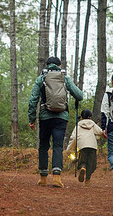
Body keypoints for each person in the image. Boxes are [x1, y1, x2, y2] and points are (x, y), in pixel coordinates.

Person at [28, 56, 84, 188]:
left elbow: (33, 100)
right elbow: (79, 96)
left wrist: (31, 119)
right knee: (57, 146)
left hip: (45, 117)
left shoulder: (41, 78)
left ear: (47, 66)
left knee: (43, 145)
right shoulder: (65, 78)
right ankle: (57, 178)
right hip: (61, 117)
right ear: (59, 66)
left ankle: (43, 178)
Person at [66, 109, 104, 187]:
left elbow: (73, 137)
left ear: (82, 117)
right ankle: (87, 180)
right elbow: (100, 132)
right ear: (90, 117)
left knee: (82, 161)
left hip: (82, 146)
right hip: (92, 146)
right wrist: (104, 134)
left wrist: (68, 149)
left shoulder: (78, 125)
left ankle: (83, 168)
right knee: (91, 164)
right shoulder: (93, 124)